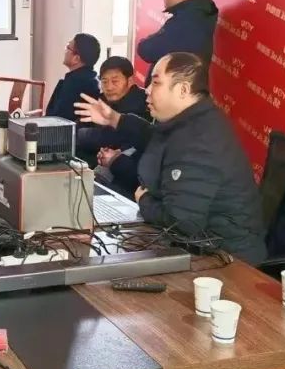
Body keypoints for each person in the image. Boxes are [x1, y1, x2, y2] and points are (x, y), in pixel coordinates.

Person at [75, 52, 266, 265]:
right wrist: (115, 119)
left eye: (156, 83)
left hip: (226, 261)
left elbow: (182, 223)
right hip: (197, 247)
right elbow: (155, 138)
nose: (147, 90)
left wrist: (144, 200)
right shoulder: (192, 120)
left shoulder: (199, 140)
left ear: (182, 90)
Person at [136, 0, 218, 85]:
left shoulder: (187, 22)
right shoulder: (196, 16)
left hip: (177, 93)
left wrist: (147, 41)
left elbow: (147, 50)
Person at [75, 56, 150, 163]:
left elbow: (114, 138)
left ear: (130, 81)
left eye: (115, 81)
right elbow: (79, 125)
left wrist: (81, 134)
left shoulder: (144, 103)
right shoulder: (101, 100)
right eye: (104, 82)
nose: (109, 87)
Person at [44, 33, 101, 122]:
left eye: (68, 48)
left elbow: (56, 118)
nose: (65, 51)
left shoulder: (75, 83)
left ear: (76, 59)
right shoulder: (92, 79)